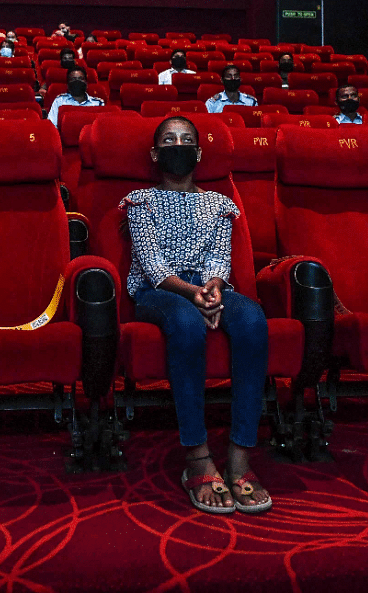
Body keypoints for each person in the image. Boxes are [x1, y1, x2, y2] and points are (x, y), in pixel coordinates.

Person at [121, 117, 272, 515]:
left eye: (187, 140)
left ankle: (240, 454)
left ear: (199, 153)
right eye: (169, 140)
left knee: (253, 319)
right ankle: (197, 456)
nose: (178, 145)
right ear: (155, 154)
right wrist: (194, 296)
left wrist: (214, 289)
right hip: (160, 293)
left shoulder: (219, 203)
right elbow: (151, 265)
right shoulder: (140, 200)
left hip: (208, 286)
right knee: (187, 324)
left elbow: (219, 258)